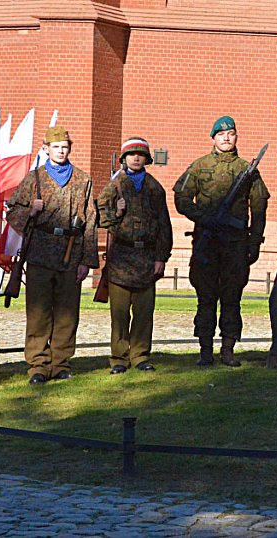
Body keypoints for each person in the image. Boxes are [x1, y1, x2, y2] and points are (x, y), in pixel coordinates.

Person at [5, 126, 99, 385]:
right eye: (56, 147)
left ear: (70, 149)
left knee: (67, 312)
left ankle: (61, 362)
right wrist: (30, 212)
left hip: (71, 252)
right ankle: (38, 364)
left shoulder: (82, 180)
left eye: (65, 147)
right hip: (39, 253)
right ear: (46, 148)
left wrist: (87, 261)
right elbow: (12, 211)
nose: (60, 151)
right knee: (38, 312)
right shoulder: (34, 179)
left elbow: (91, 220)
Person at [173, 116, 269, 367]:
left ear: (236, 137)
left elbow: (259, 208)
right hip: (207, 242)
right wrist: (205, 219)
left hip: (235, 244)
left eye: (231, 133)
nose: (226, 138)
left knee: (232, 298)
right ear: (213, 137)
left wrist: (254, 242)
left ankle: (228, 348)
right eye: (221, 134)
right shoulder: (199, 166)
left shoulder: (247, 170)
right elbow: (181, 199)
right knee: (205, 298)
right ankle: (205, 350)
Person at [96, 137, 173, 375]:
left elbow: (164, 226)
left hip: (147, 257)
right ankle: (119, 357)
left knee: (143, 312)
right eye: (132, 154)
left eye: (140, 154)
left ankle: (140, 355)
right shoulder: (114, 185)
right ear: (124, 158)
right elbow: (100, 216)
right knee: (119, 313)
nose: (136, 158)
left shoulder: (155, 188)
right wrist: (116, 212)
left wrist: (161, 257)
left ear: (147, 159)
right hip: (121, 256)